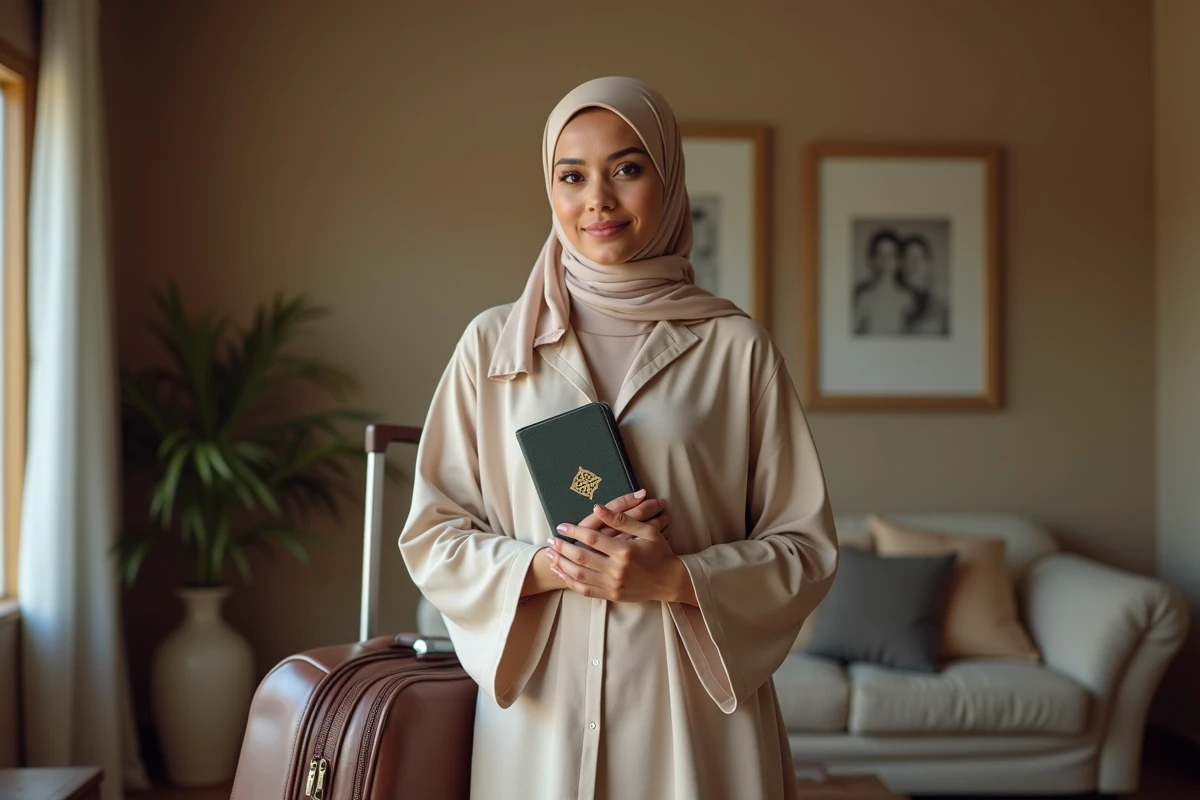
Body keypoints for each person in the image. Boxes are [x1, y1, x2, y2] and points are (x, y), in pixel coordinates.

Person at [398, 76, 839, 800]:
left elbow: (806, 548)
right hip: (541, 719)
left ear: (668, 179)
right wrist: (548, 565)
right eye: (571, 176)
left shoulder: (735, 349)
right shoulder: (492, 347)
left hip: (693, 717)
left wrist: (675, 579)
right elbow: (433, 532)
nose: (597, 199)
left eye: (627, 169)